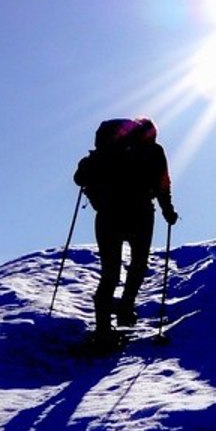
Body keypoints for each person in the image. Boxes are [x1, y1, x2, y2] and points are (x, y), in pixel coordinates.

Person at [73, 117, 178, 340]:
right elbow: (162, 184)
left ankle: (103, 328)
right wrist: (168, 210)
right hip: (140, 214)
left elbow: (79, 178)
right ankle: (125, 308)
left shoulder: (107, 152)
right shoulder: (153, 151)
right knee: (138, 264)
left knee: (109, 273)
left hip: (108, 216)